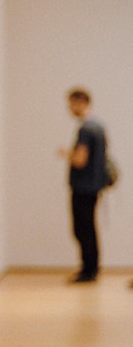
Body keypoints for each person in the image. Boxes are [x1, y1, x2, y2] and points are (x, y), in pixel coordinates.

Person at [57, 88, 107, 283]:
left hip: (83, 187)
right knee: (89, 228)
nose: (69, 108)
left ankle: (89, 269)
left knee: (83, 228)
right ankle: (91, 267)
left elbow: (80, 159)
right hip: (94, 186)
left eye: (71, 103)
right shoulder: (99, 126)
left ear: (81, 102)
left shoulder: (86, 129)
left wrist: (66, 153)